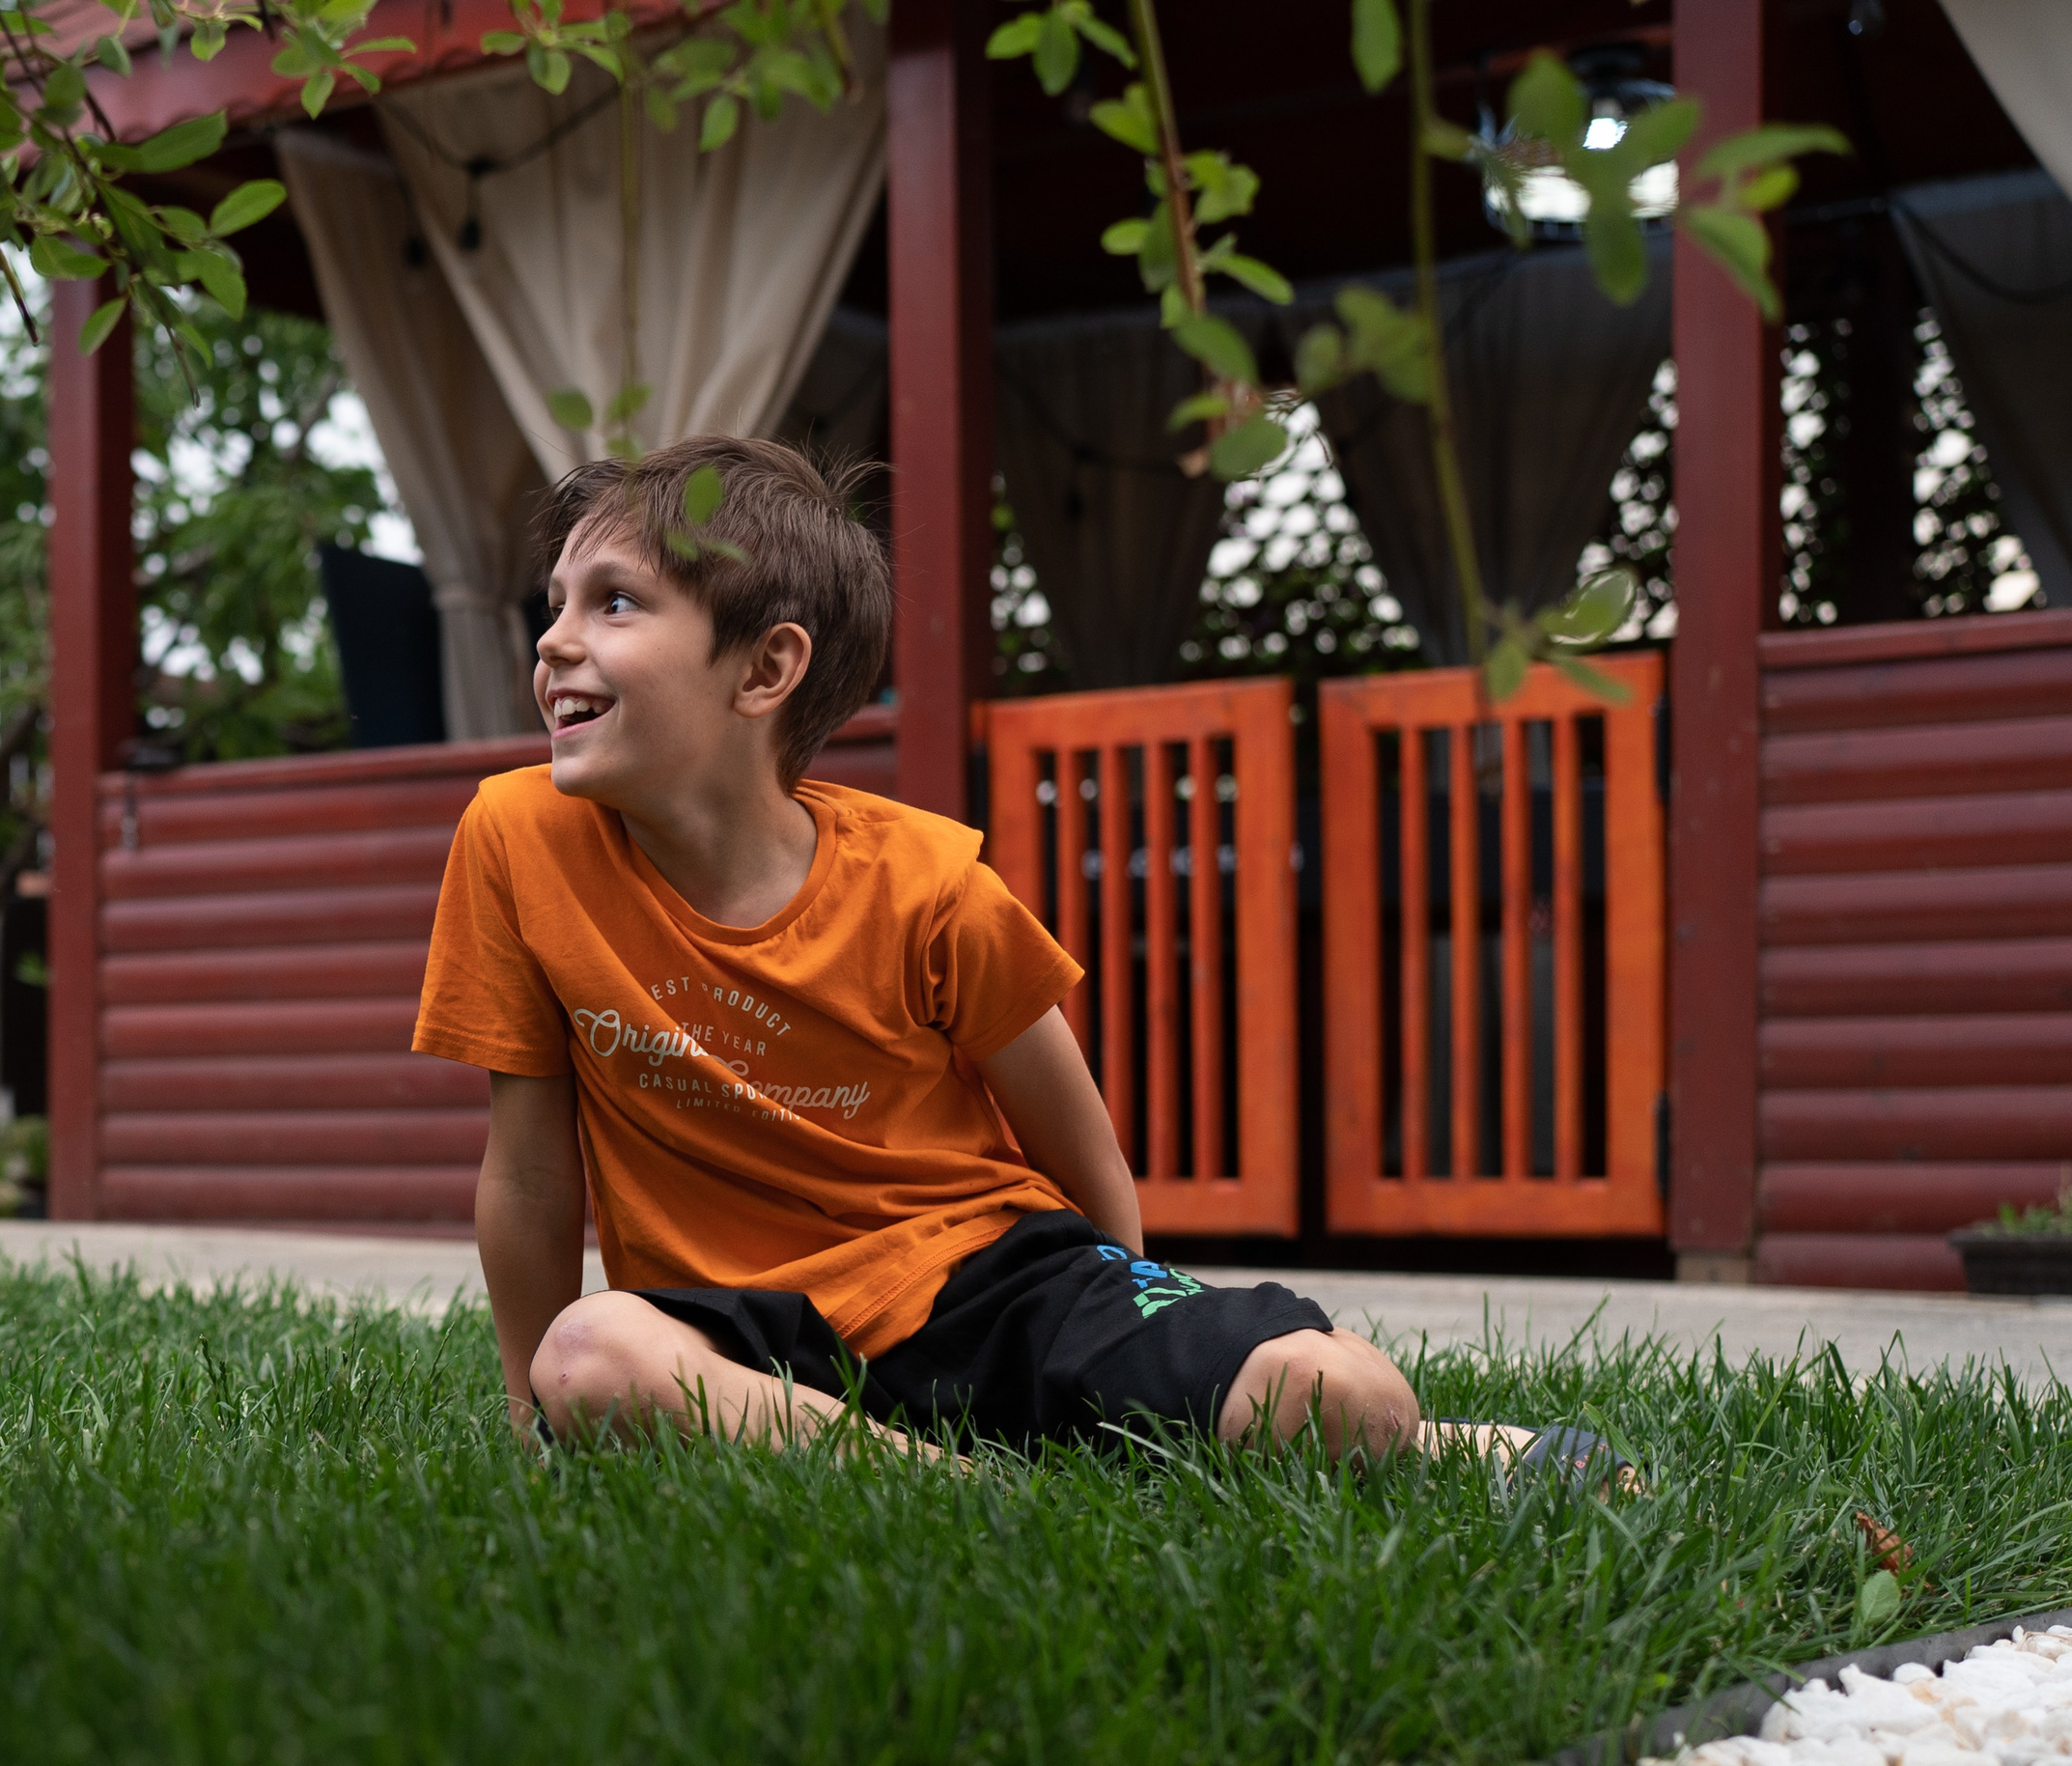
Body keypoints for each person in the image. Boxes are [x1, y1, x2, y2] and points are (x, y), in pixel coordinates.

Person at [414, 434, 1605, 1477]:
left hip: (988, 1282)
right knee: (591, 1355)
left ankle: (1452, 1445)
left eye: (613, 602)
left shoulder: (928, 884)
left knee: (1341, 1392)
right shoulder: (516, 841)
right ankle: (983, 1491)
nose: (555, 640)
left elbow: (1076, 1152)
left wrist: (1117, 1338)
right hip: (750, 1335)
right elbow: (526, 1173)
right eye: (556, 599)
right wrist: (531, 1415)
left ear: (764, 670)